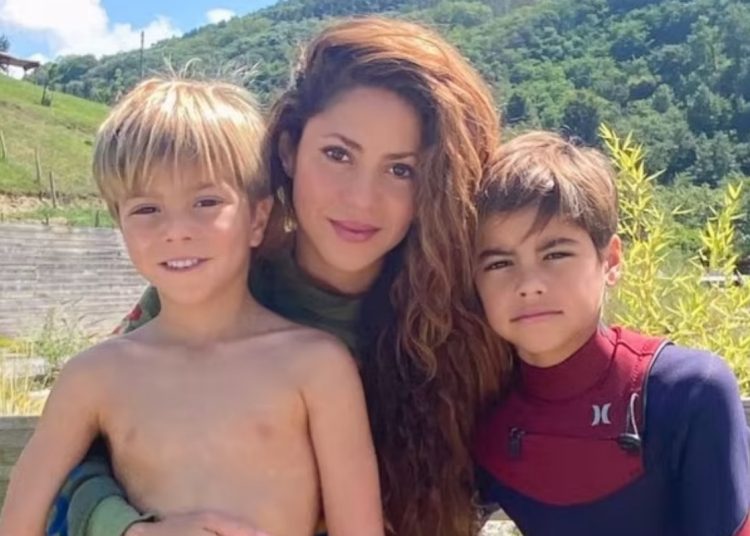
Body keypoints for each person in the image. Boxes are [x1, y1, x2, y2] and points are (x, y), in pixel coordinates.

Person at [46, 17, 511, 536]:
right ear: (289, 149)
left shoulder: (466, 328)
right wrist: (125, 529)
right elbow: (78, 452)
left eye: (401, 170)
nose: (362, 199)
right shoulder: (215, 283)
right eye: (338, 154)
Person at [0, 76, 385, 536]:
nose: (176, 230)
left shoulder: (317, 365)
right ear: (120, 224)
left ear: (257, 217)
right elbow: (19, 520)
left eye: (206, 202)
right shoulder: (92, 376)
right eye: (147, 209)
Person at [472, 131, 750, 536]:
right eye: (499, 263)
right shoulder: (478, 407)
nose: (529, 284)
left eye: (555, 254)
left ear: (611, 260)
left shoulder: (687, 392)